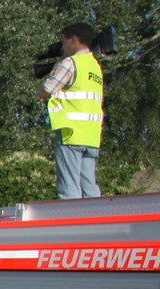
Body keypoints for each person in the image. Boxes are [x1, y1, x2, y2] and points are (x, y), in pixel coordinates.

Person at [40, 22, 104, 200]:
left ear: (74, 40)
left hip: (71, 133)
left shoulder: (70, 63)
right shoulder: (94, 66)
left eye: (64, 41)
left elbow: (45, 90)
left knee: (69, 189)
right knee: (89, 187)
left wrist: (55, 67)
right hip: (91, 136)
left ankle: (72, 223)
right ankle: (99, 221)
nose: (63, 46)